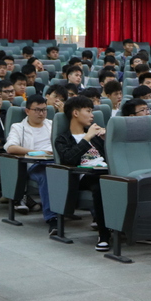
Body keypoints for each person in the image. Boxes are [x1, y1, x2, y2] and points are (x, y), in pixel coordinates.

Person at [54, 96, 111, 251]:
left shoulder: (96, 136)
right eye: (88, 111)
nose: (92, 116)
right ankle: (104, 235)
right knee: (100, 186)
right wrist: (87, 137)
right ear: (76, 113)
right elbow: (69, 159)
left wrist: (107, 139)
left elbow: (111, 156)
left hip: (104, 170)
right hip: (84, 175)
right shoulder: (63, 139)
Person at [4, 94, 57, 227]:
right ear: (27, 111)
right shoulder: (18, 127)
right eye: (37, 110)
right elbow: (10, 147)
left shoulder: (52, 124)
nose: (41, 113)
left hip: (55, 161)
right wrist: (37, 152)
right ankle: (52, 218)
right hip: (34, 164)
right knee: (46, 175)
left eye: (44, 110)